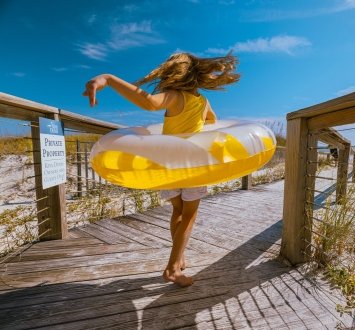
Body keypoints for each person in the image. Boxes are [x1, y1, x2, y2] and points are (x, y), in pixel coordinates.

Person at [83, 52, 240, 287]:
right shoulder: (203, 102)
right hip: (192, 164)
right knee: (189, 215)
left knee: (177, 210)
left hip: (167, 165)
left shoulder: (175, 97)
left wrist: (109, 78)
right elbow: (212, 121)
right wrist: (195, 130)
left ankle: (179, 257)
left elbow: (149, 102)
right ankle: (173, 269)